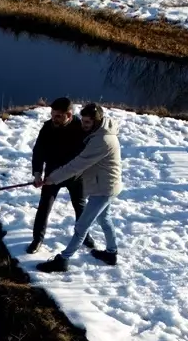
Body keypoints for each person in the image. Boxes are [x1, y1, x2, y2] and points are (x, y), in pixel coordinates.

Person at [37, 103, 121, 273]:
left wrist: (52, 179)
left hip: (104, 189)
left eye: (88, 122)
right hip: (106, 185)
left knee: (81, 226)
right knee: (104, 219)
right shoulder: (100, 132)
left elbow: (77, 165)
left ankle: (63, 260)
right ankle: (111, 253)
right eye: (82, 121)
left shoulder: (102, 140)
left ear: (97, 121)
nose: (84, 125)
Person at [28, 97, 93, 255]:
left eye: (58, 116)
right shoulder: (47, 127)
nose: (53, 118)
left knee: (80, 208)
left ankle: (85, 235)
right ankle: (38, 239)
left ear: (69, 115)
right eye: (52, 114)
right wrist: (37, 173)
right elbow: (38, 152)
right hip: (52, 176)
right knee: (44, 207)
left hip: (75, 176)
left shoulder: (81, 128)